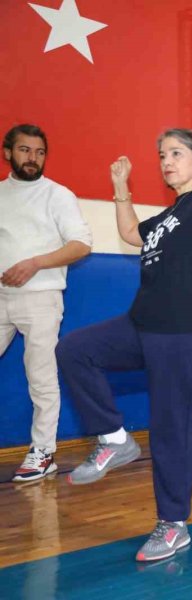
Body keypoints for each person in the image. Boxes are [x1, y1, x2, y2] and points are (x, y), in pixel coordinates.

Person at [55, 100, 192, 561]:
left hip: (184, 333)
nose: (166, 161)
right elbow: (133, 234)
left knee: (170, 429)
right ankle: (114, 439)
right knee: (74, 350)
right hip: (142, 324)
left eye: (176, 153)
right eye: (162, 155)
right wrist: (120, 188)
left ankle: (173, 524)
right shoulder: (167, 218)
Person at [1, 124, 92, 482]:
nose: (32, 158)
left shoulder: (58, 195)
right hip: (1, 296)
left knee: (41, 377)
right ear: (9, 152)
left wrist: (35, 263)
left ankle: (44, 452)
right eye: (24, 150)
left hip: (41, 297)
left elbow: (81, 245)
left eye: (39, 152)